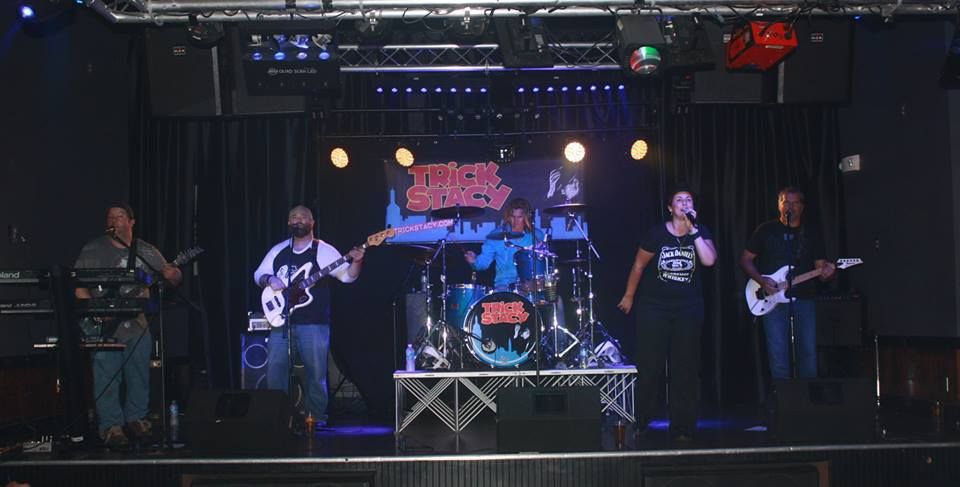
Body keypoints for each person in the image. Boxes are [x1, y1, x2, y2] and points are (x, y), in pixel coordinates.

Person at [74, 204, 183, 447]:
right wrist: (95, 312)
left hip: (137, 323)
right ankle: (111, 426)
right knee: (106, 376)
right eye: (110, 216)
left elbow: (173, 277)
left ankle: (137, 420)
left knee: (139, 374)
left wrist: (173, 273)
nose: (114, 220)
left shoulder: (145, 251)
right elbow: (78, 286)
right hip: (104, 325)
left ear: (132, 222)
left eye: (120, 216)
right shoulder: (92, 249)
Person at [617, 186, 717, 441]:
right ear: (670, 208)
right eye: (679, 200)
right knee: (650, 365)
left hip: (688, 308)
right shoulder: (657, 234)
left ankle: (682, 426)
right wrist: (629, 296)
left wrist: (694, 232)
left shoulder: (701, 232)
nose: (684, 203)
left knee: (685, 367)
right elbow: (638, 265)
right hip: (654, 307)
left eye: (688, 200)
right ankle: (642, 421)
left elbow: (709, 260)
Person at [254, 205, 364, 427]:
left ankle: (316, 418)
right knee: (275, 371)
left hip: (314, 322)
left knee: (316, 373)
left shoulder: (324, 251)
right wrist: (270, 280)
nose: (299, 220)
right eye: (294, 217)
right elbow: (258, 274)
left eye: (304, 217)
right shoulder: (279, 250)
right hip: (280, 321)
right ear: (289, 223)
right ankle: (278, 417)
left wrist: (357, 261)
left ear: (312, 223)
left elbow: (348, 277)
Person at [740, 187, 835, 380]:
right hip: (772, 298)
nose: (789, 207)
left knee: (808, 352)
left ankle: (806, 395)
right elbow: (745, 260)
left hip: (804, 297)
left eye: (794, 203)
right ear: (779, 205)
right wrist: (762, 281)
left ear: (802, 207)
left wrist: (828, 273)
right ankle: (783, 395)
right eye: (785, 202)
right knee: (778, 354)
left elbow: (821, 272)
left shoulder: (811, 233)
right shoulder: (766, 230)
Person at [464, 198, 545, 290]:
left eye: (519, 217)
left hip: (531, 284)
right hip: (504, 284)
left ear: (527, 217)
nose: (515, 222)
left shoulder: (536, 235)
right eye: (513, 217)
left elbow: (544, 262)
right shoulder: (496, 236)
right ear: (508, 216)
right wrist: (474, 261)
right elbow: (483, 263)